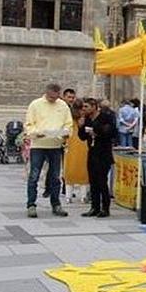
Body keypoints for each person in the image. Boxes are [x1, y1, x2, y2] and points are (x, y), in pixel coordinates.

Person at [25, 83, 73, 218]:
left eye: (56, 96)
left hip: (55, 145)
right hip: (38, 145)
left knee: (55, 177)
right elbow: (29, 124)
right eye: (51, 97)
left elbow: (68, 124)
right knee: (34, 176)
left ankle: (56, 203)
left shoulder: (63, 106)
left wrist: (66, 133)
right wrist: (36, 133)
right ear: (46, 93)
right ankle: (31, 204)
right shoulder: (35, 104)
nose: (53, 99)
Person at [78, 98, 116, 217]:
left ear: (94, 106)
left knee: (102, 181)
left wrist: (96, 130)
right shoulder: (87, 119)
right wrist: (81, 126)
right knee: (93, 181)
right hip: (92, 153)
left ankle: (105, 208)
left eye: (86, 107)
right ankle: (94, 207)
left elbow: (111, 132)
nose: (84, 109)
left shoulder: (106, 117)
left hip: (103, 153)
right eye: (83, 107)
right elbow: (82, 137)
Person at [64, 98, 90, 204]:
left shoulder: (68, 117)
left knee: (69, 169)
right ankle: (83, 196)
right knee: (83, 170)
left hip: (70, 143)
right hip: (83, 144)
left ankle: (68, 196)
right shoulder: (83, 117)